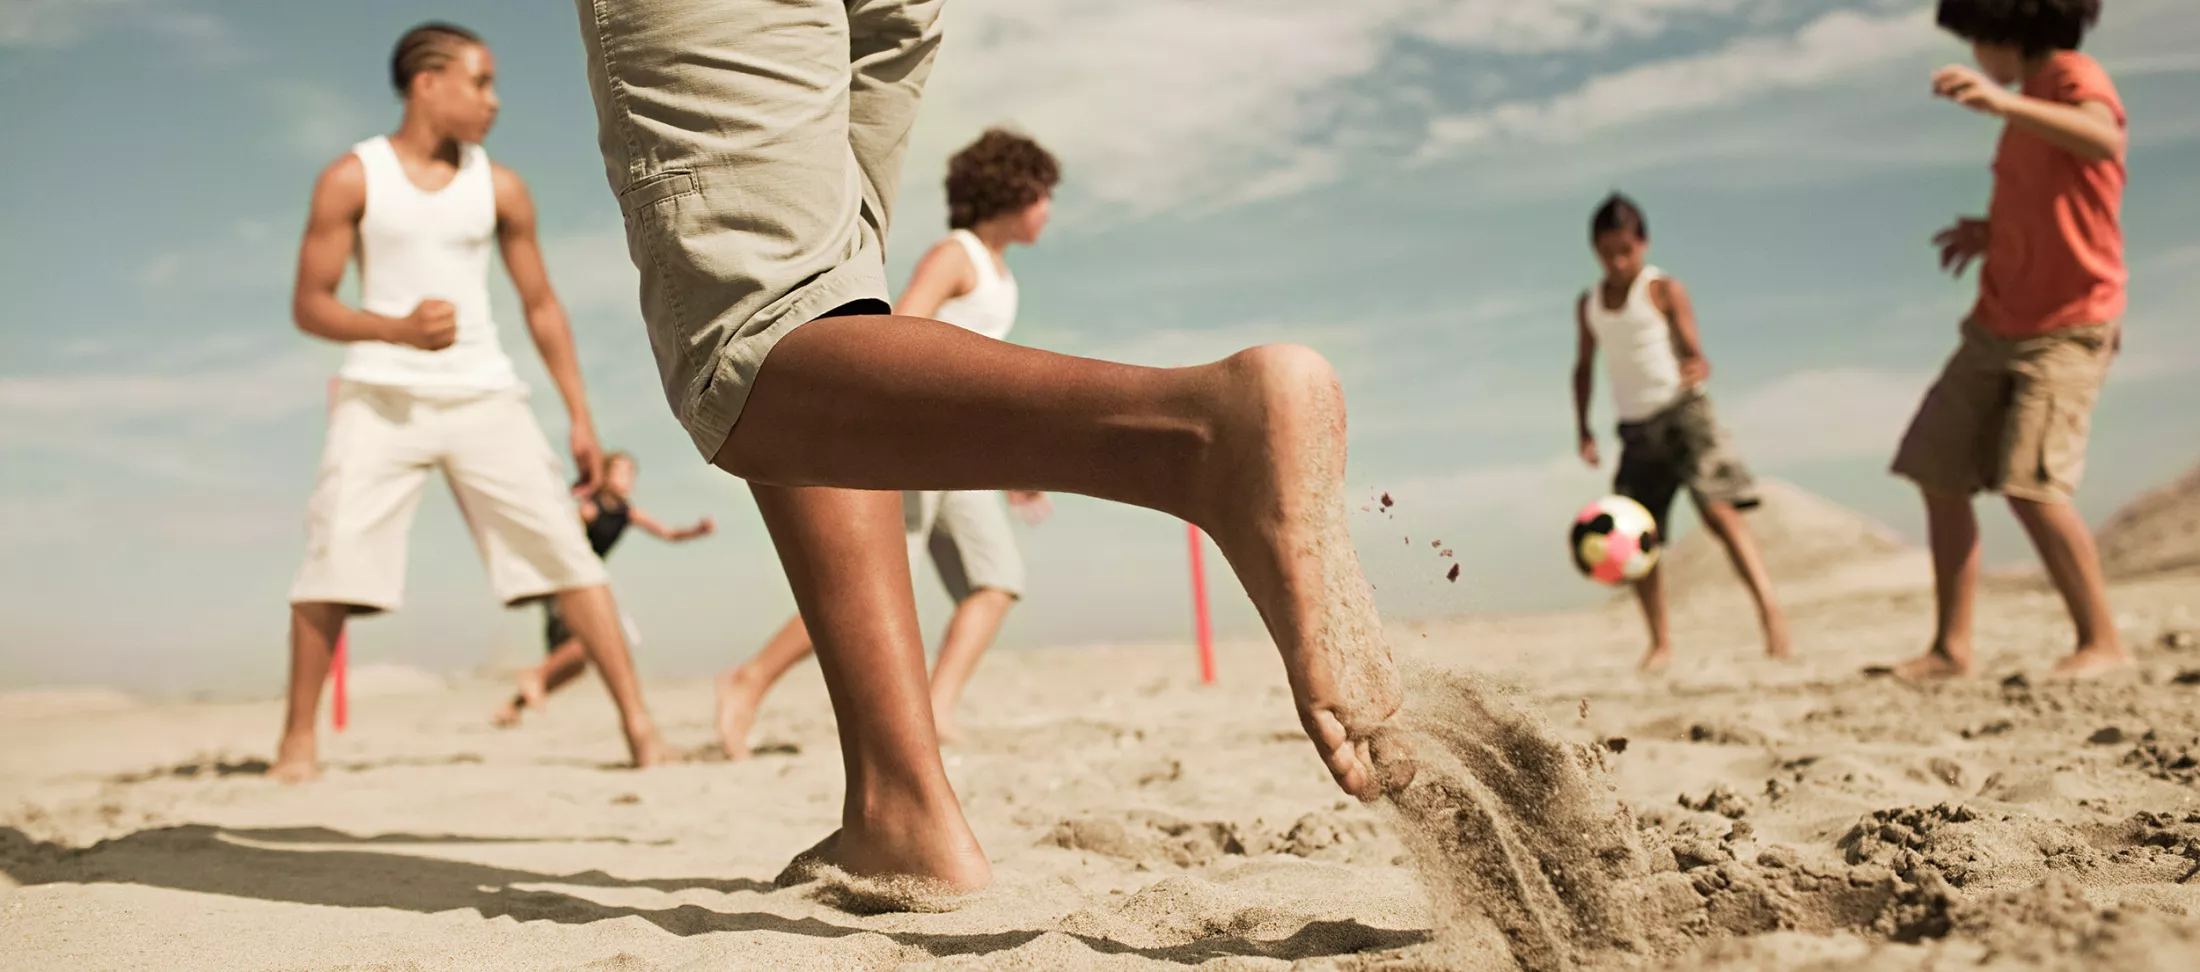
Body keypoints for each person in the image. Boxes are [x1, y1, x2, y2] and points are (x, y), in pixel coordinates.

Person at [569, 0, 1413, 895]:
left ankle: (1192, 439)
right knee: (821, 321)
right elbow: (891, 323)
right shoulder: (966, 252)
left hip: (952, 429)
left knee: (751, 352)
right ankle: (900, 813)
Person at [275, 22, 671, 781]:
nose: (494, 100)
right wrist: (394, 327)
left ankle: (641, 729)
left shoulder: (502, 187)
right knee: (332, 558)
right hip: (380, 397)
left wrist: (580, 417)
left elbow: (542, 306)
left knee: (565, 553)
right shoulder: (352, 178)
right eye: (480, 81)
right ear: (428, 84)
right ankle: (297, 743)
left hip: (486, 395)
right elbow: (309, 304)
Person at [714, 129, 1059, 758]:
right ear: (1015, 190)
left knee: (996, 580)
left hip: (964, 457)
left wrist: (1008, 465)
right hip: (917, 444)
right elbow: (902, 334)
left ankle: (938, 709)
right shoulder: (956, 254)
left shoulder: (1002, 274)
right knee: (864, 586)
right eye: (1045, 195)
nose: (1049, 210)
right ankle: (749, 680)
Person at [1887, 0, 2129, 680]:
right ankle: (1950, 649)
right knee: (1937, 467)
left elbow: (2101, 137)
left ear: (2006, 29)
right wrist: (1987, 234)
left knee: (2032, 484)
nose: (1974, 55)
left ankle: (2103, 641)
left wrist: (2002, 104)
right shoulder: (2024, 110)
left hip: (2070, 325)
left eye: (1975, 39)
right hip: (1996, 322)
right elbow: (2052, 206)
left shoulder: (2072, 77)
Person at [1571, 194, 1792, 673]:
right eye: (1607, 251)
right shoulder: (1588, 305)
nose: (1618, 260)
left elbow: (1692, 347)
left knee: (1720, 513)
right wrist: (1583, 427)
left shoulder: (1663, 289)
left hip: (1684, 415)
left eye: (1626, 250)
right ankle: (1661, 644)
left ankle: (1772, 615)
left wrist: (1697, 361)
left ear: (1643, 244)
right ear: (1594, 249)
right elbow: (1584, 367)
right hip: (1635, 431)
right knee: (1636, 538)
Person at [493, 451, 716, 727]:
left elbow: (668, 533)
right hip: (565, 583)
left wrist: (696, 531)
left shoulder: (627, 512)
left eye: (632, 473)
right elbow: (556, 539)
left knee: (576, 663)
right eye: (621, 471)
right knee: (588, 643)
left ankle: (514, 704)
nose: (627, 478)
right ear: (605, 475)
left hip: (585, 583)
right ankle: (533, 676)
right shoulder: (589, 508)